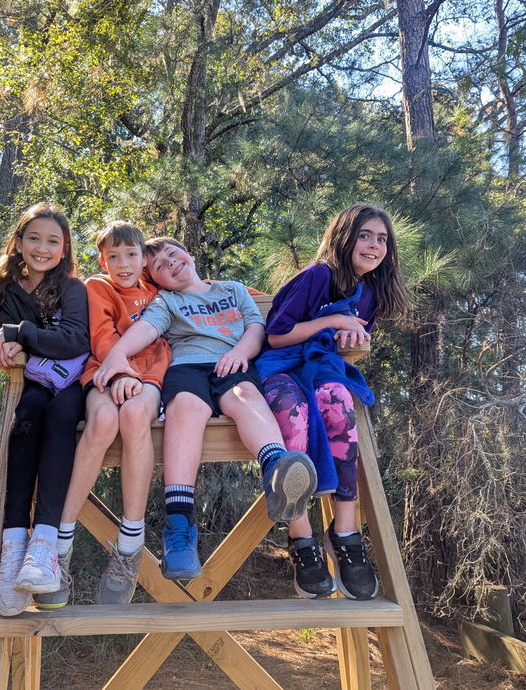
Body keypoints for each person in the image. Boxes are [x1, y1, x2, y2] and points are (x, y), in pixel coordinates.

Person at [94, 237, 317, 580]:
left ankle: (276, 469)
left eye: (173, 255)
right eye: (160, 267)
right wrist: (117, 355)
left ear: (189, 253)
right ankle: (179, 526)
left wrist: (242, 352)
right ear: (156, 282)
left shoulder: (232, 289)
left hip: (233, 363)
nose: (171, 263)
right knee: (185, 408)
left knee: (245, 396)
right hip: (186, 368)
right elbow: (146, 328)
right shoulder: (168, 301)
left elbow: (256, 326)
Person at [257, 203, 409, 600]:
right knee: (294, 417)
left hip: (323, 369)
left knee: (339, 404)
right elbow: (277, 335)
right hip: (280, 369)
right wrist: (333, 322)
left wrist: (349, 339)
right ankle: (301, 539)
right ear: (344, 237)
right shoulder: (317, 276)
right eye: (365, 236)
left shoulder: (370, 292)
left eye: (382, 239)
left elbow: (348, 339)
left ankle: (345, 534)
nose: (374, 245)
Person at [36, 221, 172, 610]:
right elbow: (101, 335)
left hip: (149, 373)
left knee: (133, 417)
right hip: (104, 369)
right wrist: (120, 373)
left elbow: (210, 289)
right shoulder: (98, 286)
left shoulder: (155, 288)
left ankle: (129, 547)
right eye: (113, 256)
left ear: (144, 258)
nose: (123, 263)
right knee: (102, 422)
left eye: (131, 255)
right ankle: (59, 550)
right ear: (102, 259)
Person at [0, 203, 89, 617]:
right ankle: (14, 549)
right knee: (25, 422)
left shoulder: (73, 288)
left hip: (73, 382)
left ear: (64, 250)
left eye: (52, 241)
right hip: (34, 383)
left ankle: (44, 546)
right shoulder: (8, 292)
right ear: (19, 242)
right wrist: (9, 341)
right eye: (34, 238)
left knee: (61, 418)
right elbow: (5, 347)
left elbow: (74, 341)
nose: (42, 248)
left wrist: (20, 334)